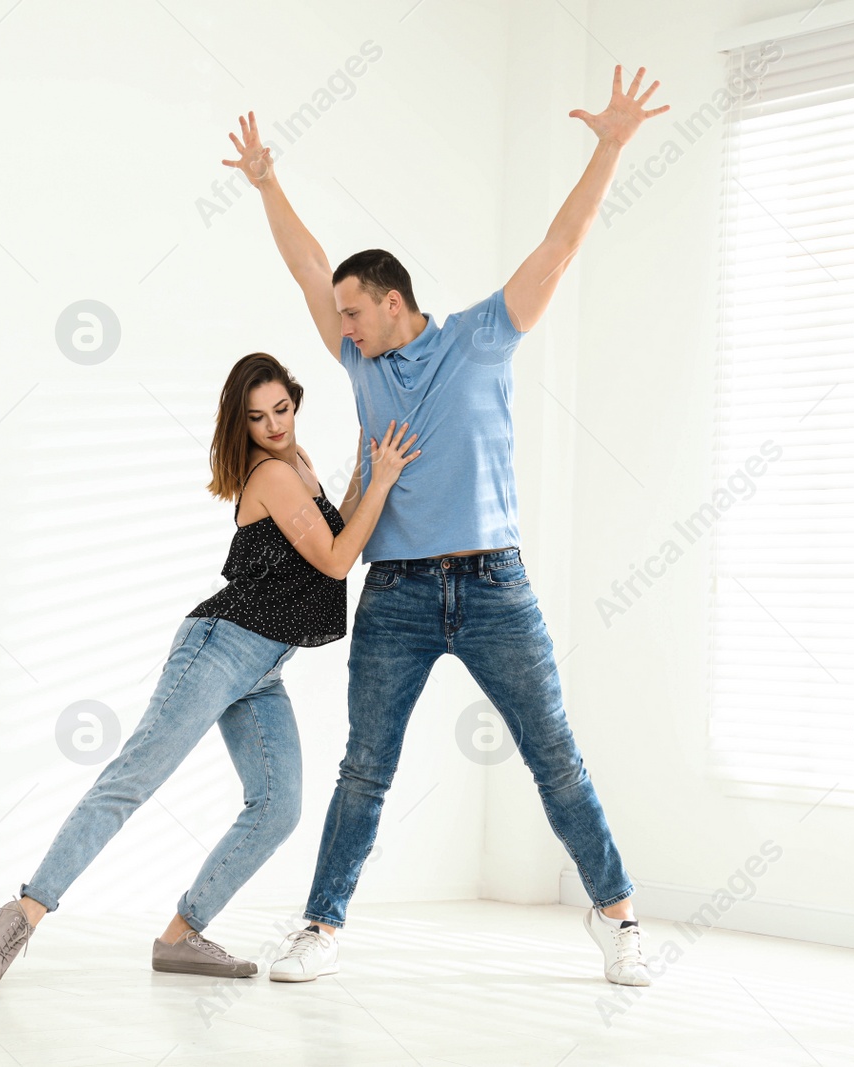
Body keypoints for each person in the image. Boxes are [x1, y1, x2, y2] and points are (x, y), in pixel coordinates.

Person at [220, 65, 670, 987]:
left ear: (393, 301)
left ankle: (621, 917)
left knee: (556, 759)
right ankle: (320, 927)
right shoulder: (361, 363)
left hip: (495, 582)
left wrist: (611, 145)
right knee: (365, 768)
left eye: (353, 312)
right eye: (337, 315)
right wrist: (269, 183)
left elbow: (560, 243)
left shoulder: (481, 334)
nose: (338, 326)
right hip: (397, 591)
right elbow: (308, 265)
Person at [0, 352, 420, 986]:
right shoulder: (271, 475)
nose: (273, 426)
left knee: (277, 807)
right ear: (242, 423)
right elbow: (339, 561)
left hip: (264, 667)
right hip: (220, 649)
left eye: (282, 410)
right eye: (258, 417)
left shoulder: (300, 465)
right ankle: (26, 911)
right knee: (134, 777)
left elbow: (336, 530)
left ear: (295, 400)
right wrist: (383, 481)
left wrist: (369, 471)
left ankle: (183, 935)